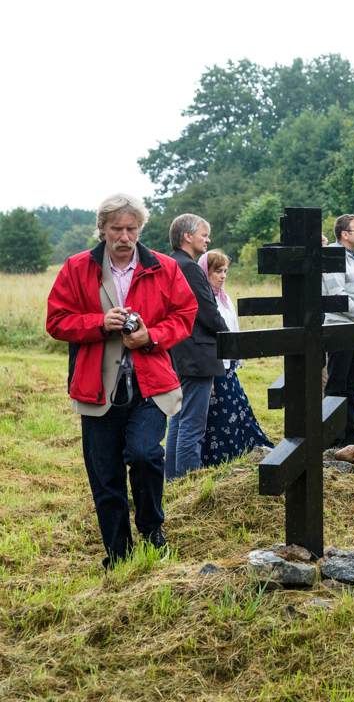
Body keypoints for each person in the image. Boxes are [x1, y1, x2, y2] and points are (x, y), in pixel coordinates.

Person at [46, 193, 197, 568]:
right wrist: (98, 323)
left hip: (150, 384)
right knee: (106, 475)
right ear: (102, 229)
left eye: (131, 229)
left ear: (139, 230)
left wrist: (152, 336)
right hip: (96, 388)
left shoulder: (164, 267)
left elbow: (185, 313)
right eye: (116, 228)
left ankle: (151, 529)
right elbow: (56, 320)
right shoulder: (77, 267)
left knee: (145, 455)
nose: (124, 236)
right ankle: (118, 555)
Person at [165, 213, 229, 480]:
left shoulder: (170, 264)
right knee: (192, 424)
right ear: (187, 237)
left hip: (179, 351)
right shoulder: (189, 267)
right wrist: (228, 334)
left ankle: (171, 479)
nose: (208, 239)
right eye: (204, 234)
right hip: (196, 353)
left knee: (178, 422)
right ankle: (187, 481)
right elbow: (206, 310)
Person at [197, 250, 274, 466]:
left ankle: (240, 451)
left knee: (237, 409)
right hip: (214, 366)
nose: (222, 276)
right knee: (219, 415)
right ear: (205, 272)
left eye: (225, 271)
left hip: (228, 367)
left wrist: (236, 357)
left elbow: (233, 329)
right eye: (217, 271)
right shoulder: (205, 301)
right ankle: (219, 458)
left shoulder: (225, 298)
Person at [322, 214, 354, 448]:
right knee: (337, 385)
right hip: (340, 329)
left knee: (353, 386)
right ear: (345, 234)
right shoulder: (332, 256)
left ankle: (351, 437)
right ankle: (334, 438)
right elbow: (337, 296)